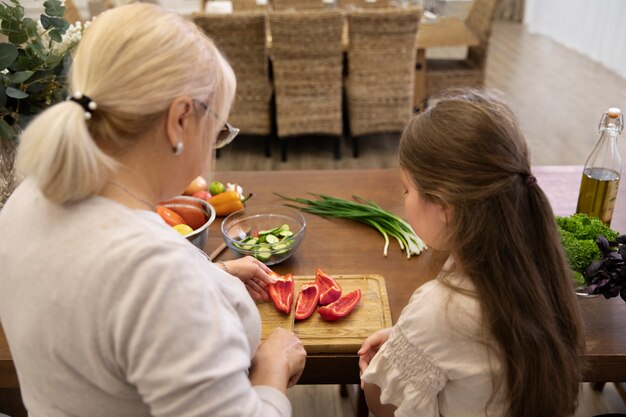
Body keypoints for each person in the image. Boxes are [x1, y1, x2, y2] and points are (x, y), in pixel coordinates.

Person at [0, 4, 306, 416]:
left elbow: (106, 300)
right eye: (217, 130)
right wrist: (272, 371)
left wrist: (214, 276)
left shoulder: (27, 197)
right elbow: (147, 285)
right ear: (179, 119)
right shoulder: (158, 276)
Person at [358, 89, 584, 417]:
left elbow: (383, 405)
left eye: (407, 189)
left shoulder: (439, 309)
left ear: (445, 208)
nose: (403, 198)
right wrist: (410, 346)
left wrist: (378, 370)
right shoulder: (536, 263)